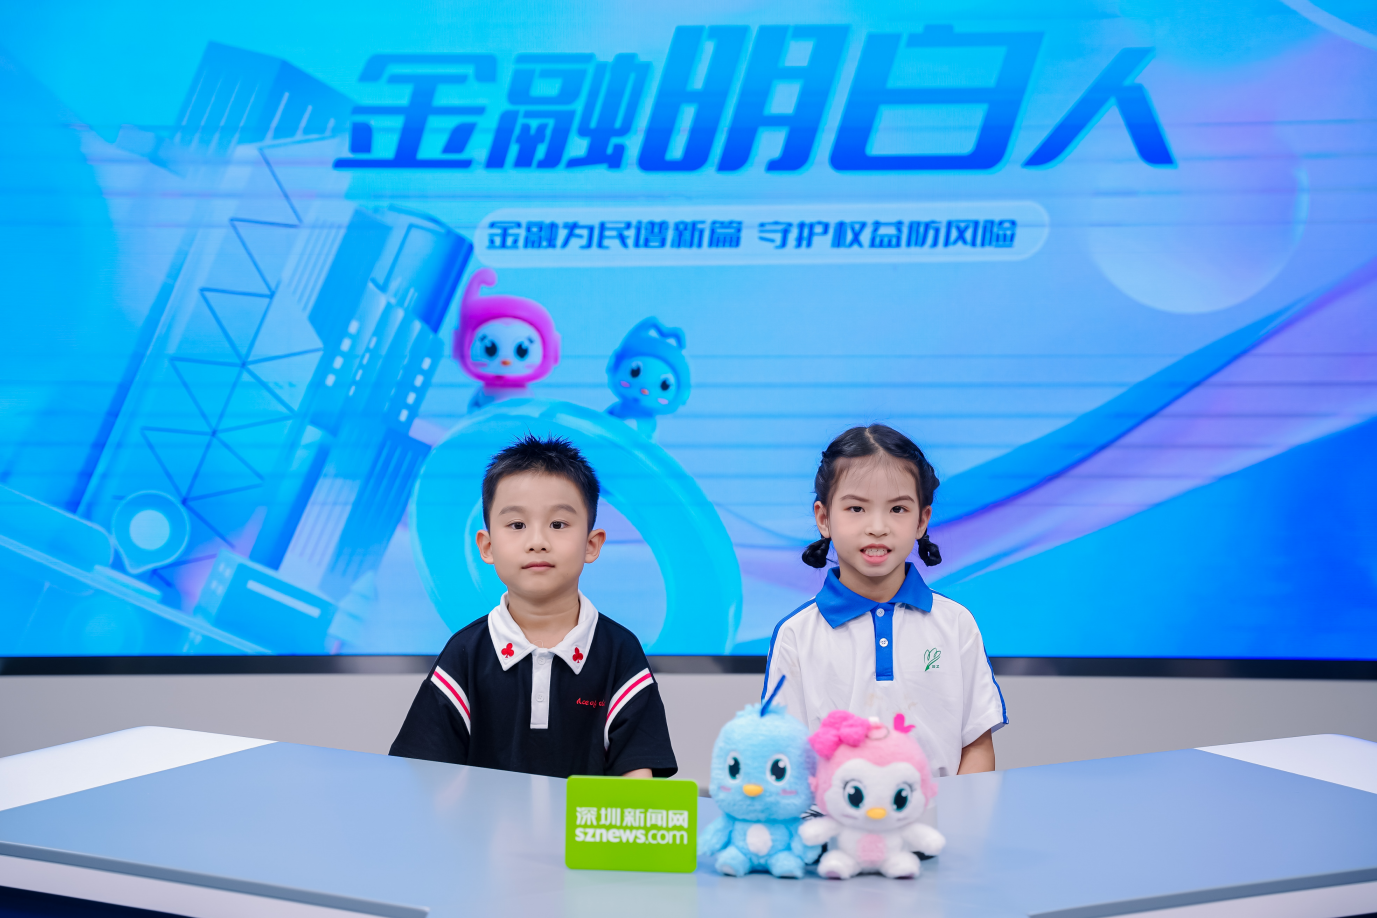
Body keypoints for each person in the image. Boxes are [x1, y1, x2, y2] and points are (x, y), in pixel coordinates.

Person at [390, 435, 677, 779]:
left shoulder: (620, 651)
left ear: (591, 544)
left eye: (558, 524)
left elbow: (638, 780)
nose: (537, 542)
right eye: (517, 525)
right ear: (487, 546)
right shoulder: (465, 653)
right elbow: (424, 776)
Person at [763, 424, 1006, 778]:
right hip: (829, 812)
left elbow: (977, 745)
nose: (878, 527)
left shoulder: (955, 623)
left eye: (898, 509)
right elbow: (785, 759)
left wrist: (960, 811)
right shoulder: (796, 634)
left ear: (922, 520)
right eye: (856, 508)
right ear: (824, 518)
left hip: (942, 813)